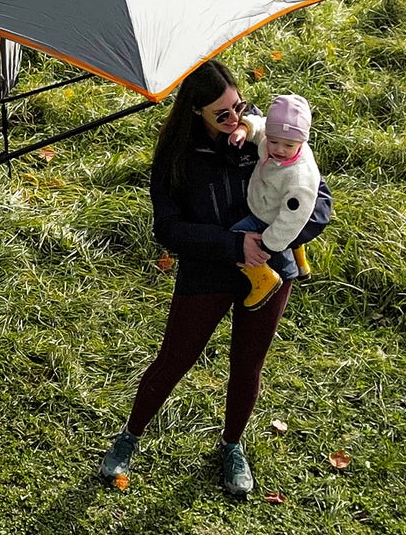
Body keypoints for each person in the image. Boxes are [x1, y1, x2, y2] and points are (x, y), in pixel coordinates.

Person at [98, 60, 330, 499]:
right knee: (175, 359)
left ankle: (232, 446)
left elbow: (317, 201)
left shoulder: (268, 139)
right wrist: (231, 245)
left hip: (269, 272)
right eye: (221, 114)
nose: (234, 120)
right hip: (207, 270)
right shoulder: (175, 158)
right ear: (196, 114)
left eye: (238, 106)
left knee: (247, 365)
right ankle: (129, 436)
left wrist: (273, 241)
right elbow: (167, 229)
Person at [231, 93, 320, 310]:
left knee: (234, 240)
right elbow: (261, 125)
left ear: (302, 141)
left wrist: (269, 243)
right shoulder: (274, 137)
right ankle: (301, 261)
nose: (279, 149)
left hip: (270, 216)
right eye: (273, 142)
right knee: (290, 234)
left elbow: (293, 218)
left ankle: (264, 278)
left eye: (288, 145)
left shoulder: (300, 179)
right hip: (268, 201)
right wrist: (244, 128)